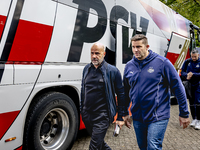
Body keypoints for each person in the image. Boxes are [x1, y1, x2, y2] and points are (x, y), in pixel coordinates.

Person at [123, 34, 190, 150]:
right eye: (133, 47)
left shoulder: (162, 63)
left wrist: (184, 113)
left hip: (158, 115)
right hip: (138, 117)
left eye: (138, 47)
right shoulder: (129, 66)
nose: (135, 50)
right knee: (142, 147)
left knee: (153, 146)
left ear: (147, 46)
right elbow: (126, 91)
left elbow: (178, 87)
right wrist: (124, 112)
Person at [80, 43, 126, 150]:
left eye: (97, 53)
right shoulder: (86, 69)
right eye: (92, 53)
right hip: (87, 115)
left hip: (102, 116)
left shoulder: (112, 71)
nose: (94, 56)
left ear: (104, 54)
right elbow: (83, 90)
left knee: (94, 147)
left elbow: (121, 94)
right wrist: (82, 109)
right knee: (99, 144)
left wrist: (120, 117)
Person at [181, 49, 200, 130]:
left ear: (198, 55)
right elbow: (182, 72)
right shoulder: (187, 62)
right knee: (191, 102)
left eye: (195, 56)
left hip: (198, 85)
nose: (194, 58)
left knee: (198, 102)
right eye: (192, 56)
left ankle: (199, 120)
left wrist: (193, 74)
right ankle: (194, 119)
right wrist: (186, 75)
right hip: (189, 85)